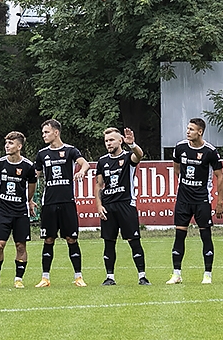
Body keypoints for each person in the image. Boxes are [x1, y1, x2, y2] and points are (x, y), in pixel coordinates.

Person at [165, 118, 223, 285]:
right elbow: (177, 170)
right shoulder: (180, 148)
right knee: (179, 235)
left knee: (205, 236)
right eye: (187, 128)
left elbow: (220, 175)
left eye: (191, 129)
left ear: (200, 131)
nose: (188, 131)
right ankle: (176, 274)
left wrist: (220, 202)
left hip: (202, 200)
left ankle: (207, 274)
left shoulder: (210, 151)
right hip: (183, 199)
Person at [34, 118, 90, 287]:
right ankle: (45, 278)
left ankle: (78, 277)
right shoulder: (42, 154)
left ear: (56, 132)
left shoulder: (71, 151)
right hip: (49, 203)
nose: (44, 135)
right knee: (48, 239)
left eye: (47, 132)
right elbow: (34, 176)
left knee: (71, 239)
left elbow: (85, 164)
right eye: (43, 132)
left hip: (67, 202)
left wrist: (81, 171)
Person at [95, 127, 149, 286]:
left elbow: (139, 155)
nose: (108, 143)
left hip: (126, 205)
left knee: (134, 240)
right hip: (108, 206)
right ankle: (110, 277)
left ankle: (142, 276)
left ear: (120, 140)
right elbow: (99, 185)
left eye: (111, 140)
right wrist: (99, 206)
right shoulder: (102, 161)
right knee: (109, 241)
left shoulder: (127, 158)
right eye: (106, 141)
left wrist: (132, 144)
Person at [0, 131, 37, 289]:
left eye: (10, 143)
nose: (7, 146)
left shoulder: (28, 166)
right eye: (6, 143)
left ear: (19, 146)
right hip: (3, 210)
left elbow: (31, 188)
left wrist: (27, 201)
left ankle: (18, 278)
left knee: (20, 246)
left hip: (20, 211)